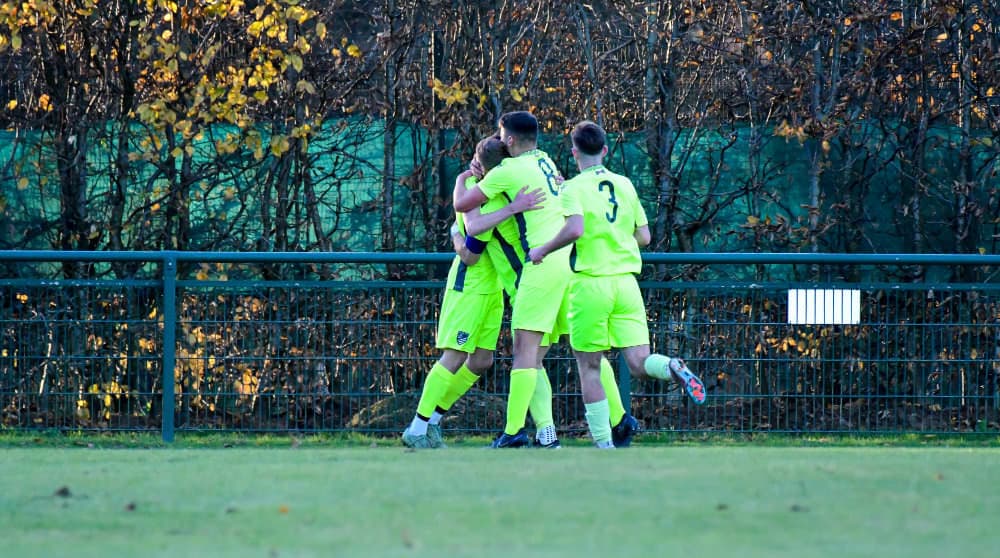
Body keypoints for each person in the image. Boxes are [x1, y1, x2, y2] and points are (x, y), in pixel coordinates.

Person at [528, 120, 707, 448]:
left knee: (590, 366)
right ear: (605, 150)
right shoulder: (624, 184)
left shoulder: (573, 189)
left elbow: (575, 229)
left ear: (574, 152)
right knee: (639, 363)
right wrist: (615, 241)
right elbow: (644, 236)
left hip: (591, 285)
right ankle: (671, 366)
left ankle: (604, 444)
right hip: (626, 285)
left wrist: (542, 250)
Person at [401, 136, 544, 449]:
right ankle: (417, 428)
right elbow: (470, 255)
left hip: (493, 290)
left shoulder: (479, 187)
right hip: (469, 287)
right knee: (454, 356)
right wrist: (457, 233)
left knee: (481, 361)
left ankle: (433, 421)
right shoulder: (487, 199)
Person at [454, 111, 578, 448]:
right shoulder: (545, 160)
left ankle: (512, 432)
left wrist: (466, 176)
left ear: (509, 139)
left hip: (538, 264)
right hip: (564, 262)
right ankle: (549, 434)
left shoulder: (506, 171)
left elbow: (464, 207)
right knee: (541, 358)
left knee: (524, 352)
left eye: (500, 133)